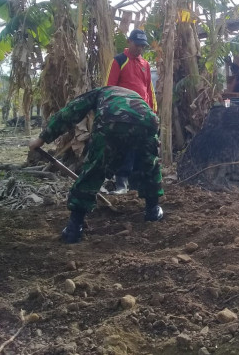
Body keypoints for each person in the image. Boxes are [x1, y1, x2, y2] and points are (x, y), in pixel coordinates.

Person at [29, 86, 164, 244]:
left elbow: (70, 113)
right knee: (149, 164)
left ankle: (74, 228)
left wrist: (41, 139)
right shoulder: (134, 96)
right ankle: (153, 211)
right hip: (148, 120)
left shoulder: (99, 93)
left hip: (112, 119)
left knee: (95, 168)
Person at [105, 29, 157, 194]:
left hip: (143, 114)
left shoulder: (145, 64)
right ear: (129, 42)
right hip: (124, 114)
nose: (140, 48)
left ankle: (137, 183)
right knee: (125, 147)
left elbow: (149, 90)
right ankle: (121, 182)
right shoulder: (119, 61)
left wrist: (153, 111)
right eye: (137, 45)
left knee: (142, 148)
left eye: (142, 46)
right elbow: (109, 88)